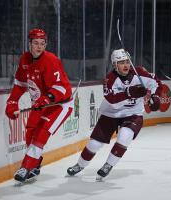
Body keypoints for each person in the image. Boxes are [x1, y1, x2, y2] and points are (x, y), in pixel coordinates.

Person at [67, 48, 162, 180]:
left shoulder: (140, 73)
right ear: (114, 65)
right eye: (121, 62)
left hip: (133, 114)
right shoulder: (109, 80)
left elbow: (156, 83)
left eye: (127, 61)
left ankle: (108, 165)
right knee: (94, 144)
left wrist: (155, 97)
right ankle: (80, 165)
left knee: (125, 136)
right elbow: (113, 102)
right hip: (110, 114)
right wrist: (129, 92)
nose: (126, 65)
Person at [5, 28, 73, 182]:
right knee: (30, 132)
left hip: (60, 105)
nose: (39, 47)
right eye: (35, 43)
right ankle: (35, 166)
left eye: (42, 43)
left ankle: (26, 167)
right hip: (41, 104)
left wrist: (46, 99)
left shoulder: (51, 60)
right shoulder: (25, 59)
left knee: (41, 133)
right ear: (29, 44)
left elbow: (60, 87)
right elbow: (20, 84)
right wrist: (12, 102)